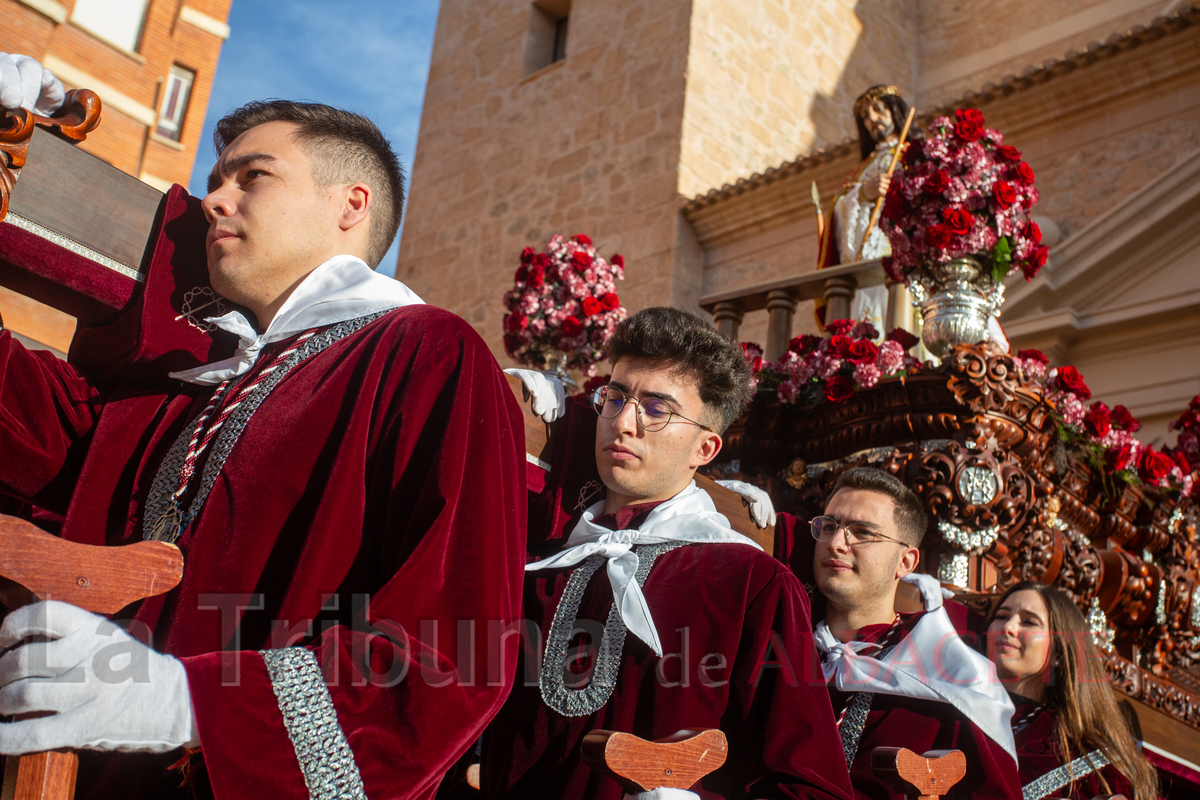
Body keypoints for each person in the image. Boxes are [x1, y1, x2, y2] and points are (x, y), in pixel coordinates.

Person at [0, 57, 528, 800]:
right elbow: (40, 442)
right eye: (217, 179)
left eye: (252, 177)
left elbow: (453, 655)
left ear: (351, 204)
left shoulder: (427, 352)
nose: (215, 199)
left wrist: (189, 703)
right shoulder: (200, 379)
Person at [484, 308, 854, 800]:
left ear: (705, 448)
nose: (624, 422)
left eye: (657, 408)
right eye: (614, 398)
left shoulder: (751, 583)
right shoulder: (537, 566)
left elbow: (809, 785)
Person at [773, 467, 1021, 800]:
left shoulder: (958, 676)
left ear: (905, 562)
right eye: (828, 526)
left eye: (862, 532)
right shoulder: (779, 640)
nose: (836, 543)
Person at [986, 581, 1158, 800]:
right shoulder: (952, 711)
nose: (1008, 627)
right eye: (1001, 616)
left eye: (1028, 621)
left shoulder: (1093, 764)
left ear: (1059, 652)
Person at [814, 85, 911, 335]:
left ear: (895, 111)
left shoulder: (913, 154)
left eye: (878, 110)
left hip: (901, 261)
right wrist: (863, 194)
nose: (872, 120)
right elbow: (839, 206)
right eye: (866, 117)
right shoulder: (862, 169)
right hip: (865, 265)